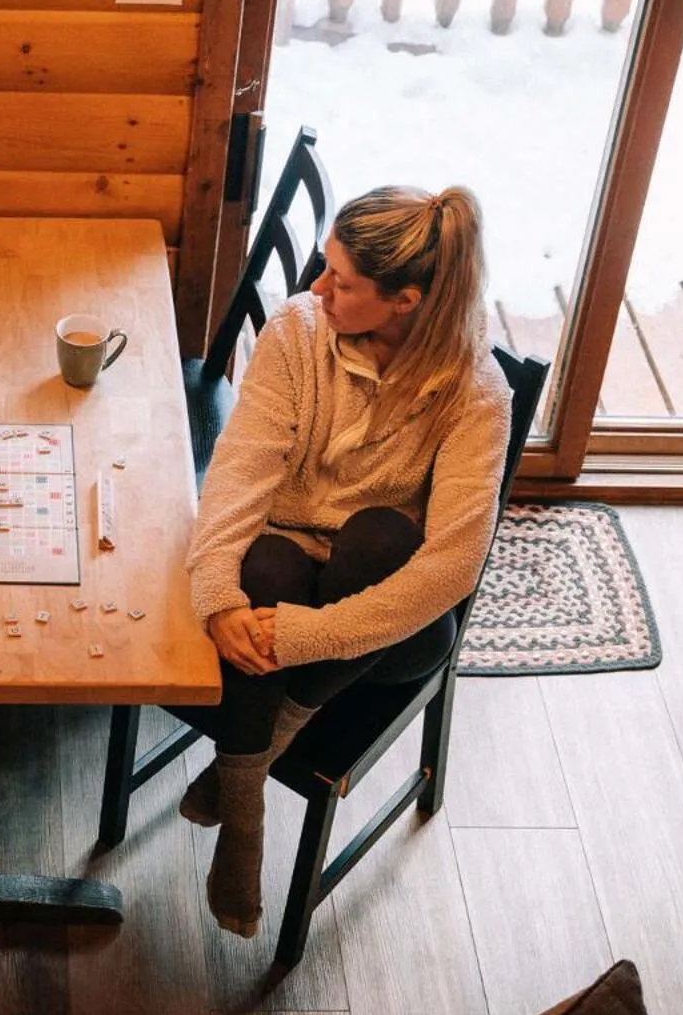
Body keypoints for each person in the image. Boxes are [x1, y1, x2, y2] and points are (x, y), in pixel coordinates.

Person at [181, 185, 512, 937]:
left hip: (390, 625)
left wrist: (300, 636)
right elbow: (239, 472)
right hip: (279, 579)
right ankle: (247, 811)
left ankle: (243, 772)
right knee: (261, 565)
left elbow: (450, 569)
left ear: (405, 300)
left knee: (382, 539)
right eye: (325, 266)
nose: (316, 287)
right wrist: (219, 599)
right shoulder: (298, 333)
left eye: (341, 280)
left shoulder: (475, 392)